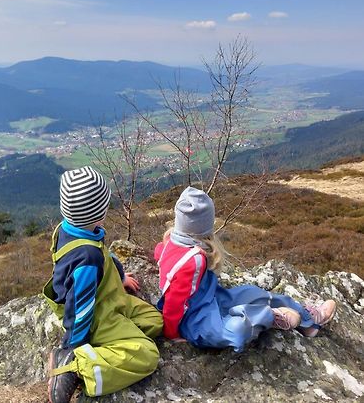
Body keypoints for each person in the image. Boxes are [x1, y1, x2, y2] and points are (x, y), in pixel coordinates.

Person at [154, 186, 336, 351]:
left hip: (211, 296)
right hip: (193, 319)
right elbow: (173, 304)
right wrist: (172, 334)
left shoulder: (170, 242)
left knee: (252, 292)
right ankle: (270, 317)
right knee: (234, 330)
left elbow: (160, 255)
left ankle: (309, 321)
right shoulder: (193, 260)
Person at [43, 166, 163, 403]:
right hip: (96, 314)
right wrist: (72, 345)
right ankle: (75, 365)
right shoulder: (87, 257)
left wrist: (118, 277)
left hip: (108, 298)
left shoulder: (75, 229)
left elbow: (105, 253)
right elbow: (80, 308)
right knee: (148, 355)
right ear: (99, 211)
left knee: (155, 321)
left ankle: (114, 342)